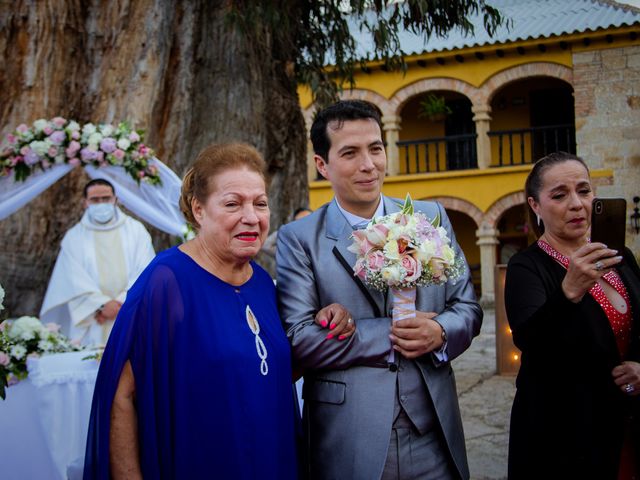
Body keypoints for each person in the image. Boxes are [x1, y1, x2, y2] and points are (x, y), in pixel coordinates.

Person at [276, 99, 481, 480]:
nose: (368, 164)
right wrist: (393, 332)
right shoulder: (300, 239)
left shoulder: (431, 217)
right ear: (323, 165)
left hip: (433, 428)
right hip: (350, 434)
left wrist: (438, 331)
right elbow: (300, 338)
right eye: (350, 153)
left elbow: (467, 307)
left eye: (375, 148)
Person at [83, 143, 298, 479]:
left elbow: (265, 372)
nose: (251, 217)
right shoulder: (167, 281)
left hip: (272, 459)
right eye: (232, 204)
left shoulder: (264, 285)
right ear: (199, 210)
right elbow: (121, 395)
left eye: (260, 203)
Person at [504, 152, 640, 479]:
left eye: (584, 190)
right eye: (560, 195)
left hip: (627, 425)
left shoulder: (621, 256)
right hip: (565, 434)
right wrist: (570, 290)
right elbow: (531, 342)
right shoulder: (527, 267)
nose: (577, 204)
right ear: (536, 206)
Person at [40, 178, 155, 347]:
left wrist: (121, 304)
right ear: (85, 203)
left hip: (131, 313)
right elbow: (72, 279)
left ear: (115, 199)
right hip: (93, 318)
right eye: (95, 200)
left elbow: (146, 270)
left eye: (106, 198)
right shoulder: (74, 237)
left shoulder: (136, 231)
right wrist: (102, 305)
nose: (101, 203)